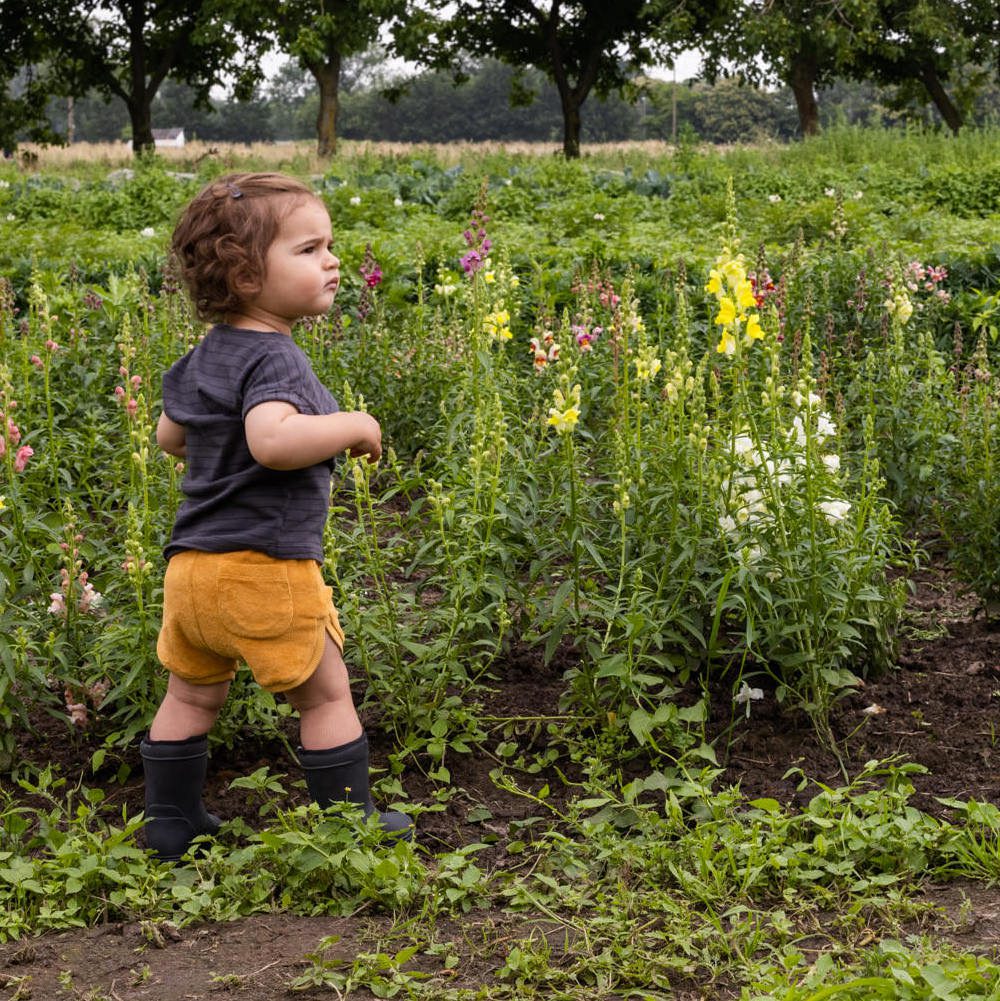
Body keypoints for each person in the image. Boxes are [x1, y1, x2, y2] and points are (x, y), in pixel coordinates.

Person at [142, 171, 412, 861]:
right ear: (246, 277)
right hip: (264, 568)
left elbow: (170, 436)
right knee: (325, 697)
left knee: (192, 697)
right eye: (310, 248)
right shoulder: (277, 358)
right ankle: (348, 829)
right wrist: (353, 422)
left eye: (330, 245)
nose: (332, 260)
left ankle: (170, 824)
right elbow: (272, 439)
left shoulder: (208, 353)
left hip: (192, 574)